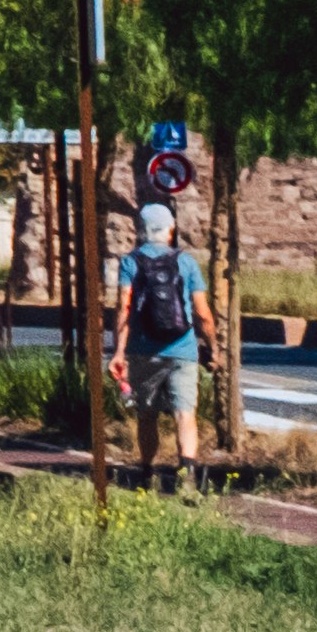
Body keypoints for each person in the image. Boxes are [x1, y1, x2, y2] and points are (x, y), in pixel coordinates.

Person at [127, 210, 209, 495]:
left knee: (147, 415)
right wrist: (213, 346)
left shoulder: (131, 262)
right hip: (182, 348)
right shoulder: (186, 262)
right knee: (185, 414)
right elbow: (203, 313)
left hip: (142, 350)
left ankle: (147, 474)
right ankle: (187, 477)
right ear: (171, 230)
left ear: (142, 229)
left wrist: (118, 351)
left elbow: (124, 308)